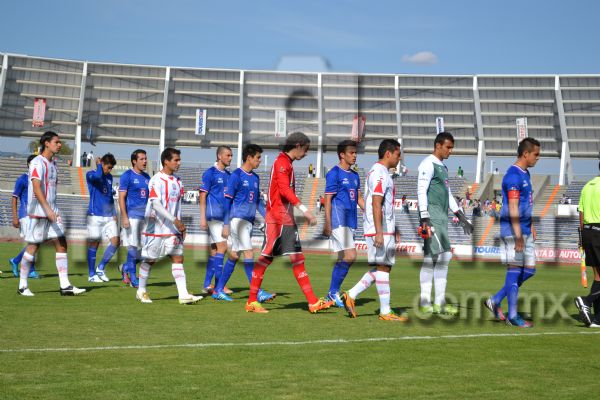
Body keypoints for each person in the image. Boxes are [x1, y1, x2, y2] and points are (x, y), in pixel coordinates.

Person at [245, 132, 333, 313]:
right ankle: (252, 301)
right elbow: (284, 190)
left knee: (295, 258)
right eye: (305, 149)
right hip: (277, 219)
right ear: (298, 145)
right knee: (266, 258)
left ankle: (312, 302)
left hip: (284, 218)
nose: (306, 154)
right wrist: (305, 210)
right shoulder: (282, 162)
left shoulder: (286, 163)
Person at [342, 139, 407, 322]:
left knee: (383, 267)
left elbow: (383, 204)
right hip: (379, 228)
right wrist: (379, 231)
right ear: (388, 153)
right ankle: (385, 311)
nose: (399, 158)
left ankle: (351, 295)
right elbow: (376, 203)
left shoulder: (380, 172)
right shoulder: (379, 173)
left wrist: (394, 227)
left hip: (383, 227)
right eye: (398, 154)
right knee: (383, 267)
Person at [17, 131, 86, 296]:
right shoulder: (37, 162)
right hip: (39, 212)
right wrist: (47, 209)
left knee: (62, 244)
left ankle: (65, 286)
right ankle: (22, 286)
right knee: (33, 246)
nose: (59, 145)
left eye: (60, 142)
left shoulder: (53, 164)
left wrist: (53, 209)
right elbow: (36, 187)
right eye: (57, 142)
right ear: (46, 143)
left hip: (52, 211)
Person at [484, 137, 541, 328]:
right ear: (525, 153)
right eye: (536, 154)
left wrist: (531, 225)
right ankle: (513, 316)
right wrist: (518, 236)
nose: (538, 158)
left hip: (525, 228)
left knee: (530, 270)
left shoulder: (525, 174)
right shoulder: (513, 176)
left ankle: (496, 299)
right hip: (512, 231)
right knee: (514, 270)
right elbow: (514, 207)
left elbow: (525, 204)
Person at [135, 147, 202, 305]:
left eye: (179, 160)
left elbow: (177, 206)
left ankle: (183, 294)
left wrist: (180, 225)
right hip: (155, 227)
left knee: (178, 258)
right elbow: (156, 204)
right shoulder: (156, 180)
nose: (179, 163)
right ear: (166, 161)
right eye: (176, 160)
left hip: (172, 228)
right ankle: (141, 290)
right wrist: (175, 220)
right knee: (150, 260)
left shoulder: (178, 181)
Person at [417, 132, 473, 316]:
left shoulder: (443, 167)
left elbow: (448, 195)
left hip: (441, 216)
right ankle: (430, 303)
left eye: (452, 147)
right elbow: (421, 191)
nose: (451, 151)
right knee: (440, 256)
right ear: (438, 145)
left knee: (435, 258)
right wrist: (424, 217)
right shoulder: (428, 164)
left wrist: (461, 216)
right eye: (448, 147)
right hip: (432, 215)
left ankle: (432, 303)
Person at [215, 143, 275, 302]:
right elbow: (227, 201)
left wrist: (268, 218)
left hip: (248, 222)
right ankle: (257, 292)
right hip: (238, 221)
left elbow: (257, 202)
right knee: (249, 253)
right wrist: (226, 224)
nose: (260, 160)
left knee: (234, 255)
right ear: (249, 158)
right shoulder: (236, 175)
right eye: (258, 157)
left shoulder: (255, 178)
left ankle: (218, 290)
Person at [322, 140, 364, 307]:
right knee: (351, 255)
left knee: (343, 258)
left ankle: (331, 294)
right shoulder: (334, 173)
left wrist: (372, 212)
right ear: (342, 154)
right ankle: (333, 293)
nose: (355, 156)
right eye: (351, 153)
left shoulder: (355, 175)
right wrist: (327, 222)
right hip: (338, 219)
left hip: (351, 220)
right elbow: (328, 199)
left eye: (355, 153)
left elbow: (359, 198)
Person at [199, 146, 233, 295]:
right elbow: (202, 195)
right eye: (228, 155)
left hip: (223, 218)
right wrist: (202, 217)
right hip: (213, 217)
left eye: (231, 155)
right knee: (223, 247)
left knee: (215, 251)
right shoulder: (210, 173)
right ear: (219, 156)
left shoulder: (229, 175)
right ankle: (220, 286)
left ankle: (207, 285)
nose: (230, 158)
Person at [118, 149, 150, 287]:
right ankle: (133, 278)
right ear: (134, 161)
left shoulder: (147, 177)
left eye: (145, 158)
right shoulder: (127, 176)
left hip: (145, 219)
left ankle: (125, 267)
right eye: (141, 159)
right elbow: (121, 198)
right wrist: (124, 217)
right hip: (132, 217)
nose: (145, 161)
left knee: (148, 251)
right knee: (133, 248)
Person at [86, 153, 120, 282]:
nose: (110, 170)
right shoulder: (91, 174)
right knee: (94, 243)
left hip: (108, 216)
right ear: (102, 164)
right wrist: (99, 166)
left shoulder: (109, 177)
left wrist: (114, 213)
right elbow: (98, 176)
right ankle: (91, 274)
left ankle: (100, 268)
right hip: (95, 215)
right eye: (108, 167)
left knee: (116, 241)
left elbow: (109, 197)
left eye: (111, 168)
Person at [574, 161, 600, 327]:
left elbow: (581, 213)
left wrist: (582, 237)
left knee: (598, 277)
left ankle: (597, 319)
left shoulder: (587, 186)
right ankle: (587, 300)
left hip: (587, 233)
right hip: (599, 231)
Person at [9, 155, 40, 279]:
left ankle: (16, 261)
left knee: (36, 242)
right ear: (28, 164)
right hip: (25, 214)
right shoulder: (22, 179)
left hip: (37, 214)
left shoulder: (39, 179)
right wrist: (15, 216)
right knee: (33, 242)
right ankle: (30, 270)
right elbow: (14, 198)